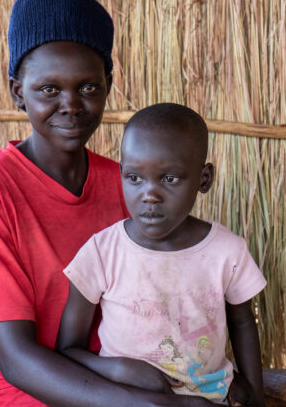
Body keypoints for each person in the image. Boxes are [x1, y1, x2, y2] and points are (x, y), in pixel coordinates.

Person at [0, 0, 216, 407]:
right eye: (49, 90)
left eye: (88, 88)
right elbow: (15, 361)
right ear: (18, 92)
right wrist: (155, 405)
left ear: (107, 85)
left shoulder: (124, 183)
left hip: (119, 374)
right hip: (27, 390)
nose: (71, 105)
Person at [57, 103, 267, 406]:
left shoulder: (227, 251)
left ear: (203, 179)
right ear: (121, 175)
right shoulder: (102, 252)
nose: (149, 194)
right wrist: (119, 368)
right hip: (124, 399)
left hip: (211, 398)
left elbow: (244, 323)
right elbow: (68, 349)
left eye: (169, 178)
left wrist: (252, 390)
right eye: (135, 178)